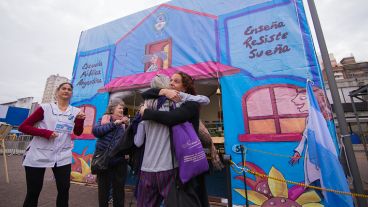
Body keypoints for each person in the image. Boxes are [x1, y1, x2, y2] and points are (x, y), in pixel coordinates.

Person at [134, 74, 209, 207]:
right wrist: (163, 91)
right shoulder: (161, 100)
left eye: (176, 81)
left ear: (185, 87)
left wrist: (146, 113)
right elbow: (146, 93)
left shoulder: (190, 103)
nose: (171, 83)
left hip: (184, 161)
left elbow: (172, 118)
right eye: (170, 81)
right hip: (163, 166)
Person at [19, 82, 85, 207]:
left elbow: (78, 132)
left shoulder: (75, 111)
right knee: (33, 191)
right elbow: (23, 127)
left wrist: (80, 120)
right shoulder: (45, 108)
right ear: (57, 92)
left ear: (71, 94)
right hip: (39, 153)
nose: (66, 91)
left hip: (62, 155)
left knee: (64, 189)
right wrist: (46, 133)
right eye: (63, 88)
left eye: (69, 89)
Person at [92, 100, 129, 207]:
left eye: (123, 108)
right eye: (120, 108)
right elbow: (96, 132)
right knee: (103, 189)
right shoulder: (104, 119)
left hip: (120, 160)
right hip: (105, 159)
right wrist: (113, 124)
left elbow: (128, 140)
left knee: (119, 189)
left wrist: (128, 126)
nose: (122, 110)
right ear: (112, 109)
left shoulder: (125, 123)